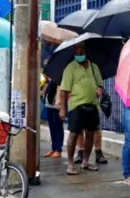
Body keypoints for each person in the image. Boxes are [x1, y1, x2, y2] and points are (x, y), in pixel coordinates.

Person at [58, 43, 103, 175]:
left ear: (86, 52)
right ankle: (71, 163)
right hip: (76, 106)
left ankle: (85, 162)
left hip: (92, 105)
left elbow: (100, 84)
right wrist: (62, 108)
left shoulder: (94, 68)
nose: (79, 55)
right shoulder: (70, 69)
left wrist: (100, 89)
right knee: (74, 134)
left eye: (81, 52)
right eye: (76, 53)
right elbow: (64, 90)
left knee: (90, 134)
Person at [42, 74, 64, 158]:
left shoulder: (59, 79)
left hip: (56, 107)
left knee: (58, 127)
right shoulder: (49, 80)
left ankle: (58, 149)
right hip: (49, 106)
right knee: (52, 128)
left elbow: (60, 89)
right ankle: (53, 148)